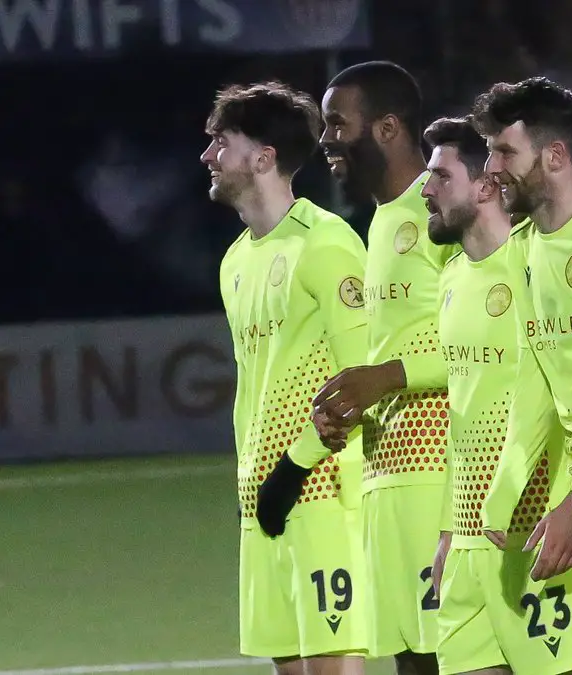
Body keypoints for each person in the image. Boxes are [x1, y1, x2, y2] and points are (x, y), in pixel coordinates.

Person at [202, 81, 370, 675]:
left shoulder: (325, 245)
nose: (207, 157)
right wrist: (259, 482)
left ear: (264, 157)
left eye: (221, 142)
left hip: (320, 493)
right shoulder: (235, 260)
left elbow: (360, 382)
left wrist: (294, 467)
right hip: (262, 502)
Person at [424, 116, 572, 675]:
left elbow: (564, 395)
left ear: (483, 186)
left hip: (536, 530)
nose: (426, 190)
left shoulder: (534, 263)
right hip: (473, 532)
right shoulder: (451, 277)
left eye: (440, 177)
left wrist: (571, 507)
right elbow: (462, 413)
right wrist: (452, 525)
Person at [468, 77, 572, 675]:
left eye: (505, 152)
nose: (491, 170)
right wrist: (502, 496)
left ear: (556, 155)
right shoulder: (528, 247)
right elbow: (536, 382)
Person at [308, 61, 452, 675]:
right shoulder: (382, 221)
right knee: (410, 661)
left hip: (441, 478)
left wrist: (384, 377)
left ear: (388, 127)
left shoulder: (439, 210)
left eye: (338, 123)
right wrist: (351, 400)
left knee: (451, 657)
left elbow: (490, 342)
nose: (326, 140)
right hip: (386, 478)